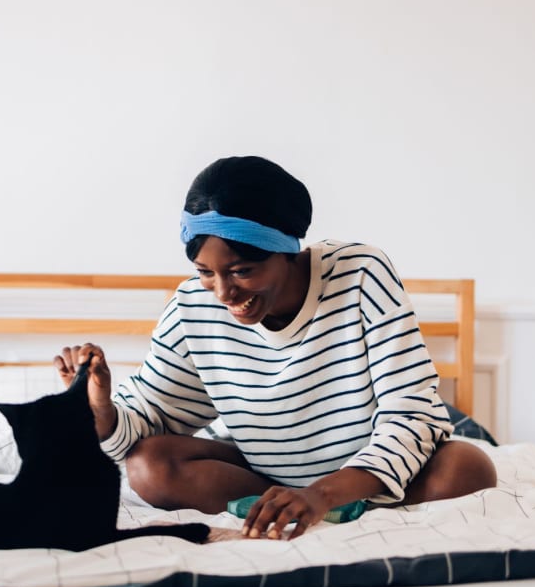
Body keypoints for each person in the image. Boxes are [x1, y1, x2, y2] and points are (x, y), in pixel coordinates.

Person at [53, 156, 497, 540]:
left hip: (362, 476)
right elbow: (151, 418)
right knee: (149, 465)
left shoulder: (360, 274)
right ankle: (282, 504)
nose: (223, 292)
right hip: (263, 475)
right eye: (206, 272)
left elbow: (412, 413)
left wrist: (322, 493)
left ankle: (336, 504)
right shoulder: (193, 306)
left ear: (286, 250)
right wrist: (102, 408)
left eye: (242, 270)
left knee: (467, 467)